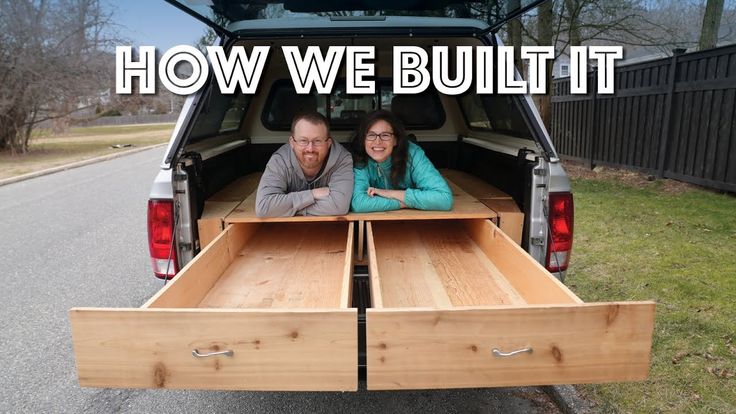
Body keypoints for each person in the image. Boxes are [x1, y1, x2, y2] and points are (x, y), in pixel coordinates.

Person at [350, 110, 453, 212]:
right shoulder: (360, 159)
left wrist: (389, 193)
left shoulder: (413, 154)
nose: (377, 141)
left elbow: (443, 199)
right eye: (371, 135)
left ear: (395, 140)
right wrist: (402, 203)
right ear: (363, 140)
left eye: (385, 135)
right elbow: (359, 203)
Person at [256, 111, 353, 217]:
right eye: (303, 140)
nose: (310, 148)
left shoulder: (342, 158)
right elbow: (264, 207)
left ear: (328, 143)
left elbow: (339, 206)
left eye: (317, 141)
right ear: (292, 143)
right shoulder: (280, 160)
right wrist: (312, 194)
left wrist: (286, 209)